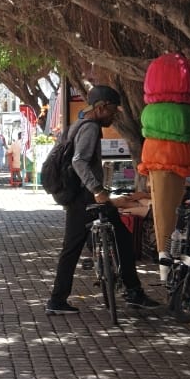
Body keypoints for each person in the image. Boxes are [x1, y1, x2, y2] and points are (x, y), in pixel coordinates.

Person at [46, 85, 159, 314]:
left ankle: (57, 300)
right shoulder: (91, 128)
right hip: (86, 195)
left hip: (76, 195)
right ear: (101, 107)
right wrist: (97, 189)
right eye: (113, 111)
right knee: (122, 238)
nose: (114, 116)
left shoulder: (76, 125)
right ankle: (133, 292)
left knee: (72, 247)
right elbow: (79, 161)